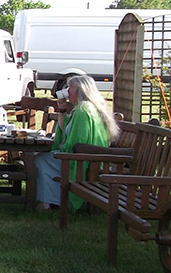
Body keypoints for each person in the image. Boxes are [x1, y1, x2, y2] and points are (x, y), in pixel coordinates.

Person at [34, 74, 119, 212]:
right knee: (45, 158)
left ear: (81, 90)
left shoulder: (83, 110)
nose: (68, 91)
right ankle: (49, 200)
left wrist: (62, 148)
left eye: (70, 88)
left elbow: (76, 142)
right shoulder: (87, 107)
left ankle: (50, 202)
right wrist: (62, 109)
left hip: (84, 161)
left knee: (41, 159)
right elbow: (67, 130)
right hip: (91, 158)